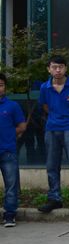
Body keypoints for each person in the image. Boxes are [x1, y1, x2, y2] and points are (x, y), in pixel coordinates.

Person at [37, 55, 69, 213]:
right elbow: (45, 106)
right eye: (54, 67)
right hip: (52, 128)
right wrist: (56, 117)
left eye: (61, 67)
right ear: (49, 69)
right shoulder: (44, 88)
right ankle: (54, 198)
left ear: (66, 68)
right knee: (52, 165)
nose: (57, 70)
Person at [0, 73, 27, 228]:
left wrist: (10, 134)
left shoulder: (13, 106)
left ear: (5, 87)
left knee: (11, 184)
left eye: (1, 85)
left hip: (7, 151)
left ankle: (9, 215)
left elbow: (22, 126)